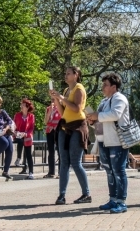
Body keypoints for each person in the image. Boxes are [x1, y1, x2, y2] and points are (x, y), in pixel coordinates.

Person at [86, 72, 131, 213]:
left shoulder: (119, 98)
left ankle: (121, 202)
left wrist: (97, 115)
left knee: (118, 170)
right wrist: (92, 121)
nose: (103, 87)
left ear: (114, 86)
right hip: (104, 141)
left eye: (105, 85)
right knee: (109, 171)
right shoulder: (104, 101)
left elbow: (115, 115)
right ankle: (113, 199)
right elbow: (102, 122)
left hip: (117, 141)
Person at [50, 66, 91, 205]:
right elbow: (63, 112)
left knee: (75, 162)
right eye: (65, 73)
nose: (66, 75)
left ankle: (86, 194)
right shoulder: (66, 90)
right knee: (64, 162)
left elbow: (77, 108)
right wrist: (56, 99)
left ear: (76, 75)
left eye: (68, 73)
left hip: (78, 127)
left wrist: (62, 98)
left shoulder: (79, 88)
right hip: (65, 127)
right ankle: (61, 195)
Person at [0, 95, 15, 180]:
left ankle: (5, 171)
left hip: (4, 132)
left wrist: (6, 129)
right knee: (5, 143)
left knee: (10, 150)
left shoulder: (2, 112)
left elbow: (9, 121)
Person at [14, 98, 36, 179]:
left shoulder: (31, 116)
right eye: (21, 105)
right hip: (18, 135)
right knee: (20, 141)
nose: (21, 106)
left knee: (28, 154)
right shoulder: (17, 115)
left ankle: (31, 173)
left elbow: (31, 128)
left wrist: (26, 134)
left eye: (23, 105)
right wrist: (16, 132)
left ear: (27, 107)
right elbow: (14, 125)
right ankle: (18, 158)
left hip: (27, 136)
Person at [44, 102, 61, 179]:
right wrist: (49, 112)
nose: (53, 101)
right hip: (49, 131)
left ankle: (61, 172)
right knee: (51, 152)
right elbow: (45, 122)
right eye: (52, 99)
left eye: (54, 99)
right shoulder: (48, 108)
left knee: (60, 152)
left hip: (58, 131)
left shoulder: (61, 108)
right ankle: (51, 172)